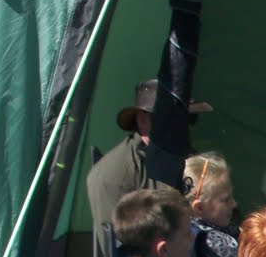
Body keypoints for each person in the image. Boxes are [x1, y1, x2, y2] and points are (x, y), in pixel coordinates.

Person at [86, 78, 212, 234]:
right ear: (143, 120)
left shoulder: (191, 158)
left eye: (189, 119)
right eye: (174, 118)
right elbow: (125, 243)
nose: (185, 127)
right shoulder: (114, 174)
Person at [180, 152, 238, 257]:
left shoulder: (177, 229)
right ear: (199, 208)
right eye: (225, 200)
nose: (234, 204)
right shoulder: (221, 243)